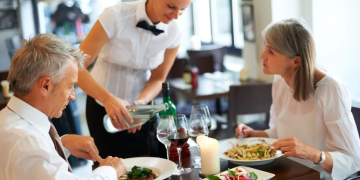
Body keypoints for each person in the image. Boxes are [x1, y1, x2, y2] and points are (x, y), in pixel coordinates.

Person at [235, 19, 360, 180]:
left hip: (317, 177)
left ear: (295, 61)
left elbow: (353, 160)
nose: (262, 55)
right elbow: (280, 132)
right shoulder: (279, 81)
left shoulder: (331, 89)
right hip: (287, 171)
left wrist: (312, 153)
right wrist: (255, 134)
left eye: (271, 51)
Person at [0, 34, 127, 180]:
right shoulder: (26, 141)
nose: (72, 96)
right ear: (45, 85)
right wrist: (110, 170)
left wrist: (61, 145)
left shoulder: (8, 121)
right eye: (69, 86)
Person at [77, 0, 192, 158]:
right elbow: (75, 66)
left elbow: (159, 78)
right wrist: (107, 99)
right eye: (171, 6)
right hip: (101, 105)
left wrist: (141, 104)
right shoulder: (114, 16)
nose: (176, 16)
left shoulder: (174, 32)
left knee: (145, 167)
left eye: (183, 10)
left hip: (141, 111)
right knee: (108, 165)